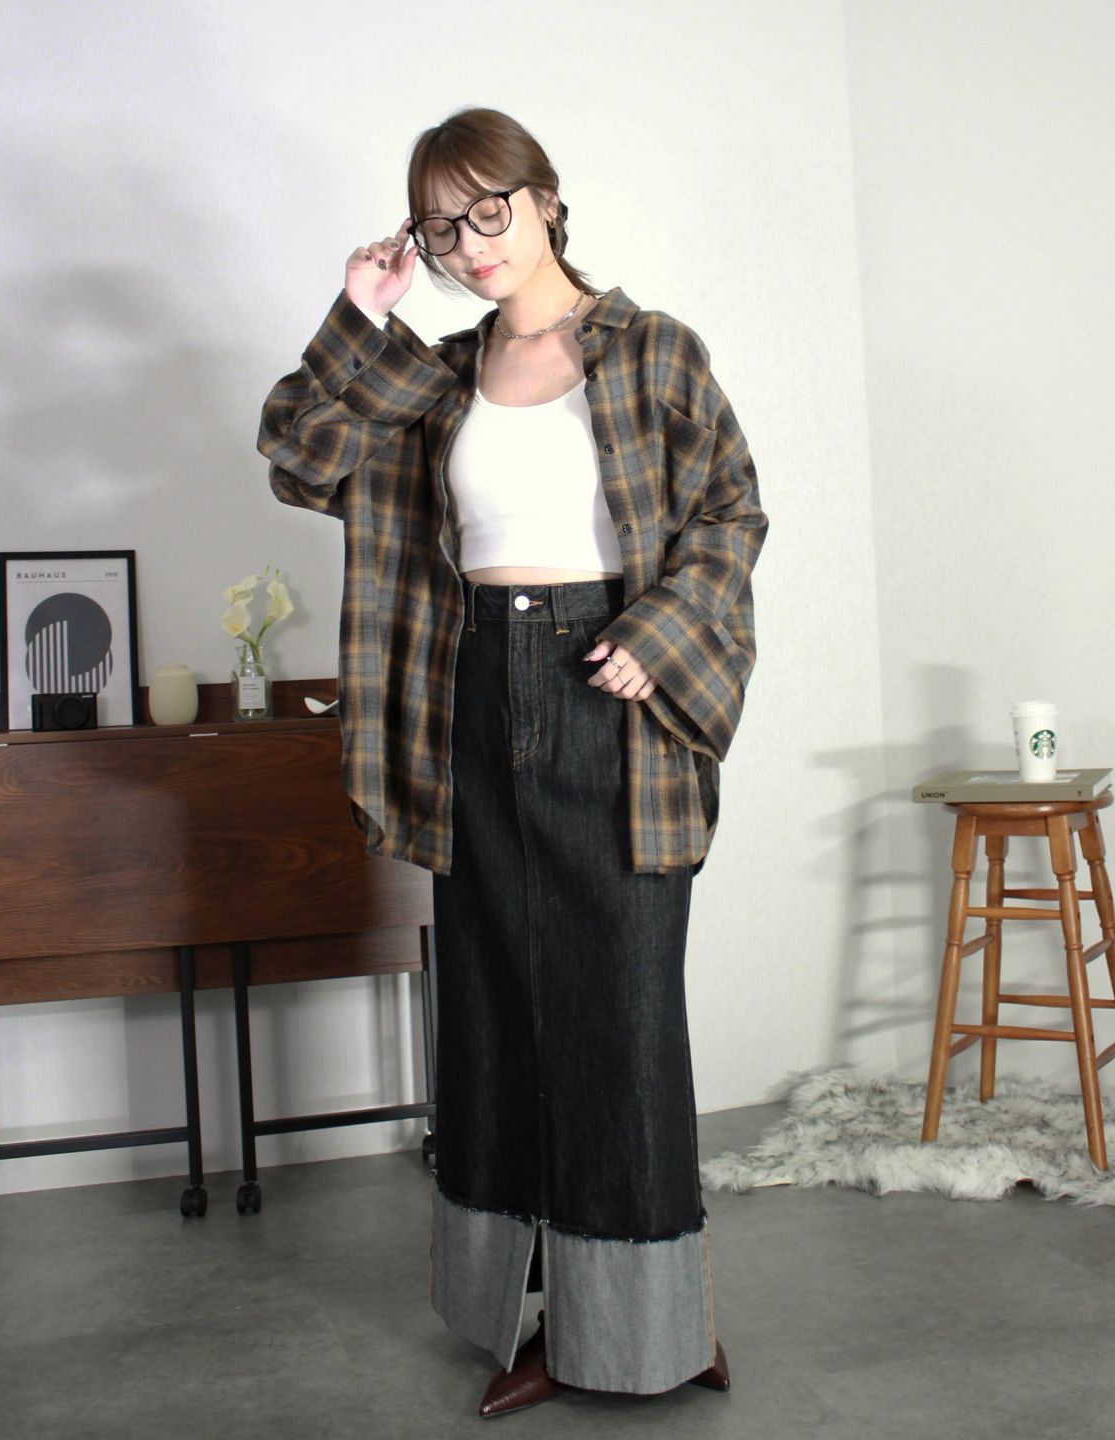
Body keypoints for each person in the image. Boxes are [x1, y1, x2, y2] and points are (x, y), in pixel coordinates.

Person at [258, 106, 767, 1418]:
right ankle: (532, 1318)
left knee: (624, 1016)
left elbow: (730, 512)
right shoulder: (430, 377)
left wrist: (660, 631)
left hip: (610, 684)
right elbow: (300, 460)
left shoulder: (651, 350)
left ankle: (655, 1325)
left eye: (489, 210)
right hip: (471, 692)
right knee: (492, 1009)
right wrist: (358, 313)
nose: (470, 244)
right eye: (441, 228)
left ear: (544, 198)